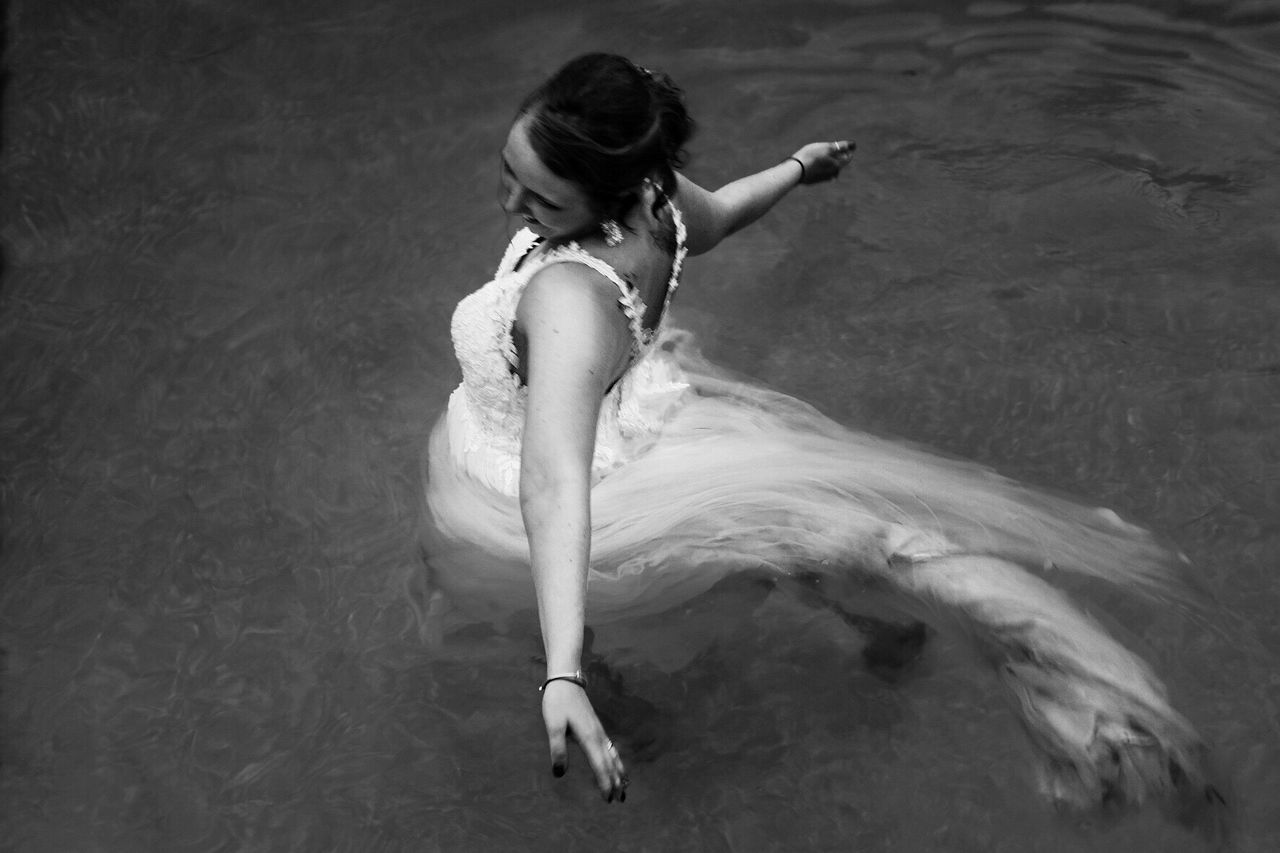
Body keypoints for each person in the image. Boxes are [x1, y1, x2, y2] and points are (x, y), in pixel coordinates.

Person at [421, 53, 1222, 821]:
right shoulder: (657, 208)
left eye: (542, 201)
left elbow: (553, 478)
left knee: (555, 617)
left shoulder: (567, 296)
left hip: (569, 481)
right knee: (795, 532)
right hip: (644, 423)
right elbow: (724, 213)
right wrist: (801, 167)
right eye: (509, 172)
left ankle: (615, 710)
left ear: (612, 191)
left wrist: (561, 669)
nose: (510, 205)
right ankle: (914, 632)